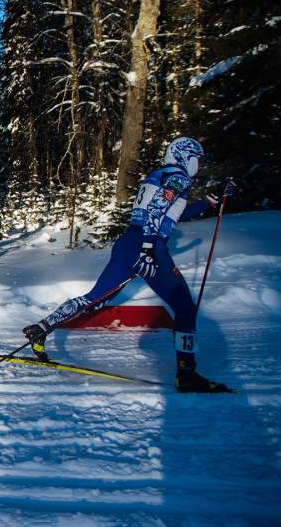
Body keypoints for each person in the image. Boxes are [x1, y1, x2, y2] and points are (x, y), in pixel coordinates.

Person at [22, 137, 236, 393]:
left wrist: (209, 202)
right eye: (196, 159)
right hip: (150, 245)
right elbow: (157, 211)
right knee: (184, 307)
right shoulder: (179, 176)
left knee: (96, 298)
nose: (197, 165)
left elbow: (171, 213)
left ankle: (42, 328)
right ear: (184, 157)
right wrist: (147, 249)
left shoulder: (160, 175)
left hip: (128, 242)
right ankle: (187, 375)